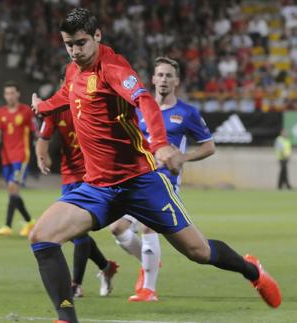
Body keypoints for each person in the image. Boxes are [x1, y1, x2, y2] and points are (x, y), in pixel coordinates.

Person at [29, 9, 281, 323]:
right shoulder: (73, 70)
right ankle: (66, 319)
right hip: (97, 187)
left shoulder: (114, 68)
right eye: (69, 44)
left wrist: (160, 143)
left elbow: (145, 101)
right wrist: (44, 106)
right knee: (42, 237)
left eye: (81, 42)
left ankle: (252, 270)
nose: (75, 51)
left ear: (97, 36)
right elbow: (68, 94)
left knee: (198, 252)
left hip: (141, 182)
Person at [108, 57, 216, 302]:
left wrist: (183, 157)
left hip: (165, 181)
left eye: (169, 75)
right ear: (153, 79)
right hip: (136, 178)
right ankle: (149, 261)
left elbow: (209, 146)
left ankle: (148, 289)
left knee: (149, 226)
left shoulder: (187, 113)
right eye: (160, 75)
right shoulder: (138, 109)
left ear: (176, 81)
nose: (164, 80)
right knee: (117, 229)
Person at [36, 71, 117, 298]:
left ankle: (75, 285)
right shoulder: (56, 107)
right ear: (64, 83)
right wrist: (42, 157)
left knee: (78, 234)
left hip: (94, 176)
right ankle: (106, 267)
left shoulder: (93, 101)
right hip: (69, 176)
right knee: (74, 233)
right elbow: (43, 139)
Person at [0, 81, 37, 237]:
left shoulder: (26, 111)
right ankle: (29, 222)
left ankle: (8, 225)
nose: (10, 96)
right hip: (6, 158)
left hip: (21, 157)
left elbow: (35, 132)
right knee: (12, 191)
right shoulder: (1, 112)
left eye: (12, 93)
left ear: (18, 94)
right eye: (7, 93)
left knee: (13, 188)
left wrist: (42, 150)